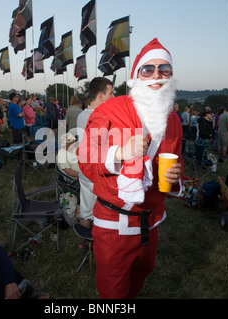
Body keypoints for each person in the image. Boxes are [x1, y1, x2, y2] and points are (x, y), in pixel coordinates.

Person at [77, 39, 183, 299]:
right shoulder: (110, 109)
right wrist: (120, 153)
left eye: (164, 69)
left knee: (142, 273)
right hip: (114, 223)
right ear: (137, 75)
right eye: (148, 69)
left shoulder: (174, 119)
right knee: (113, 291)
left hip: (152, 220)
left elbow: (175, 162)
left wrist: (176, 178)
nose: (156, 75)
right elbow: (85, 156)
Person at [76, 77, 114, 250]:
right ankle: (101, 249)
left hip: (84, 171)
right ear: (100, 96)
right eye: (111, 93)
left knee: (85, 209)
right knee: (103, 214)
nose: (114, 97)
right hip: (98, 173)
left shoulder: (81, 115)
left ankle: (82, 244)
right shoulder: (103, 117)